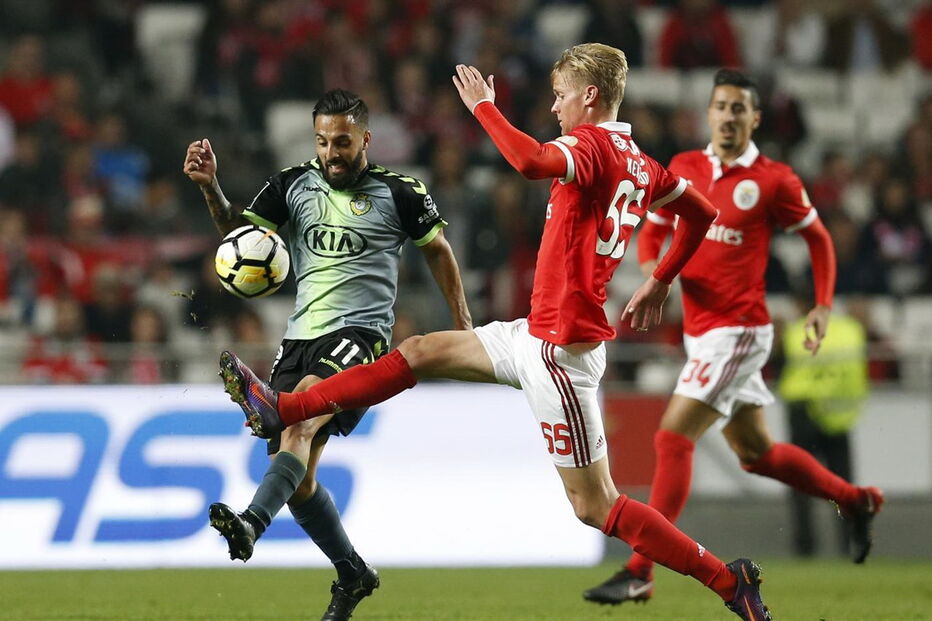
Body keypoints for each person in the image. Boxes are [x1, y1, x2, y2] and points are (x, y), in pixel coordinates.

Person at [219, 45, 772, 620]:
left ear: (589, 96)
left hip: (560, 355)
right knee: (421, 350)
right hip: (533, 335)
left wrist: (484, 108)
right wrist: (658, 279)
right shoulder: (642, 162)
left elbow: (531, 163)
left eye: (560, 96)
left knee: (595, 505)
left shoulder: (593, 144)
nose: (555, 108)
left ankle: (728, 580)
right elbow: (702, 213)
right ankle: (286, 405)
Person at [582, 69, 884, 607]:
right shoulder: (685, 168)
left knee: (671, 437)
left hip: (741, 329)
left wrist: (821, 304)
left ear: (755, 118)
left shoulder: (774, 180)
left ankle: (638, 569)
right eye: (720, 106)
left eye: (739, 108)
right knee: (756, 453)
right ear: (709, 112)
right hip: (702, 334)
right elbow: (653, 229)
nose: (728, 116)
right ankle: (855, 498)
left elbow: (817, 238)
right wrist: (658, 276)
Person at [182, 88, 472, 621]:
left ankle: (250, 523)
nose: (331, 152)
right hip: (299, 338)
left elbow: (439, 251)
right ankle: (353, 572)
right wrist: (210, 188)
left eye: (342, 141)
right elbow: (240, 236)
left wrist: (463, 324)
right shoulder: (293, 184)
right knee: (299, 476)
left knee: (302, 416)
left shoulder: (400, 192)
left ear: (365, 138)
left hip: (361, 338)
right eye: (322, 141)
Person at [779, 297, 870, 557]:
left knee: (800, 486)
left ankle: (804, 547)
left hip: (803, 414)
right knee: (843, 486)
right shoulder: (850, 330)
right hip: (839, 416)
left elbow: (779, 367)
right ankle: (849, 546)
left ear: (800, 306)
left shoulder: (796, 331)